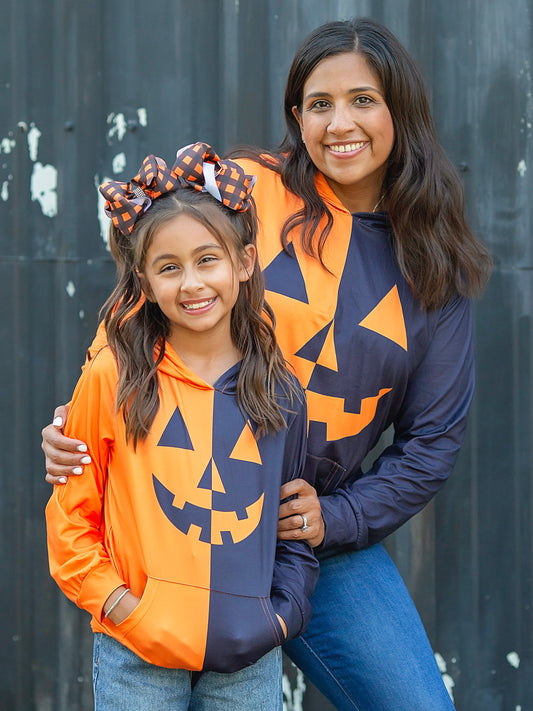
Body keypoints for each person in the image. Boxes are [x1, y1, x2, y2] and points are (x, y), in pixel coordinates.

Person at [42, 18, 492, 711]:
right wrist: (80, 423)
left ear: (400, 108)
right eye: (320, 103)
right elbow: (142, 305)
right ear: (296, 115)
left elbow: (430, 445)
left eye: (363, 100)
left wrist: (333, 517)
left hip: (304, 536)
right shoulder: (246, 188)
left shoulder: (434, 266)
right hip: (179, 518)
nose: (340, 123)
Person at [45, 142, 319, 711]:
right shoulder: (112, 377)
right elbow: (72, 516)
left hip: (248, 658)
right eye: (169, 268)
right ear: (144, 281)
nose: (191, 283)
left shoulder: (281, 390)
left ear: (244, 263)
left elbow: (291, 520)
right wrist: (123, 608)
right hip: (136, 656)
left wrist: (281, 613)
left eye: (207, 259)